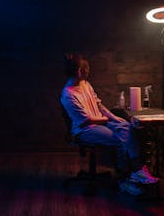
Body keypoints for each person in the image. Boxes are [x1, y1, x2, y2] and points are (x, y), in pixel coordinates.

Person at [60, 53, 158, 195]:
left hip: (99, 122)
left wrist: (114, 118)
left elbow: (98, 105)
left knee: (126, 126)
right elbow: (86, 120)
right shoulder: (68, 94)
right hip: (85, 129)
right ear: (79, 72)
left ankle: (137, 170)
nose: (88, 72)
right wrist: (109, 120)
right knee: (121, 138)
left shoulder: (85, 84)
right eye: (86, 69)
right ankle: (125, 180)